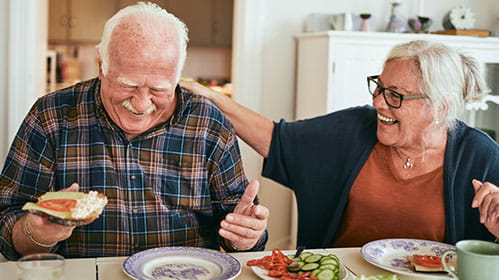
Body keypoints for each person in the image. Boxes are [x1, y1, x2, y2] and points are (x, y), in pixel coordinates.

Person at [0, 2, 268, 260]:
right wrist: (36, 234)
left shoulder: (208, 122)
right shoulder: (51, 116)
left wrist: (245, 237)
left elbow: (238, 230)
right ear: (101, 69)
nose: (141, 104)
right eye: (127, 85)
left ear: (177, 77)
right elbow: (6, 225)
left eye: (159, 89)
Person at [180, 39, 499, 248]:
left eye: (395, 96)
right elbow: (275, 139)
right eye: (379, 87)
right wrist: (209, 96)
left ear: (440, 107)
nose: (378, 103)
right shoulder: (353, 130)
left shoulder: (480, 157)